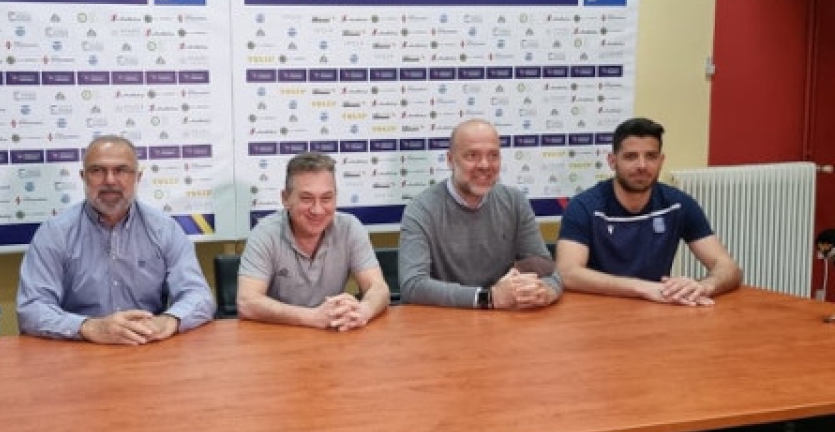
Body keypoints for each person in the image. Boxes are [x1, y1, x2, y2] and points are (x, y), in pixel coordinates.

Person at [17, 135, 215, 344]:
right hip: (81, 348)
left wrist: (169, 320)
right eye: (97, 170)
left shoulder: (165, 230)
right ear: (83, 177)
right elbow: (32, 308)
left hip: (147, 345)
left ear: (137, 177)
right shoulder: (55, 233)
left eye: (121, 170)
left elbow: (199, 295)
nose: (110, 180)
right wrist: (88, 327)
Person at [557, 117, 742, 305]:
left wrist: (704, 286)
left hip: (657, 307)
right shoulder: (584, 206)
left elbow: (728, 267)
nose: (642, 166)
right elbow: (567, 272)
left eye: (651, 156)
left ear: (661, 161)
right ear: (612, 161)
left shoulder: (678, 204)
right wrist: (643, 288)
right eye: (631, 157)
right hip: (597, 309)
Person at [399, 119, 562, 310]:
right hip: (446, 320)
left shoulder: (515, 202)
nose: (485, 165)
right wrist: (488, 298)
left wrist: (546, 291)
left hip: (505, 319)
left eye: (493, 155)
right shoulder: (421, 209)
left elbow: (547, 269)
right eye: (472, 155)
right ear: (450, 160)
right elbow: (413, 286)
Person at [237, 152, 390, 330]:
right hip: (279, 334)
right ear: (285, 199)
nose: (317, 210)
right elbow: (247, 302)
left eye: (326, 198)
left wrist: (363, 311)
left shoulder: (350, 228)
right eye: (306, 198)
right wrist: (313, 317)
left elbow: (379, 288)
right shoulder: (265, 233)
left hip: (333, 333)